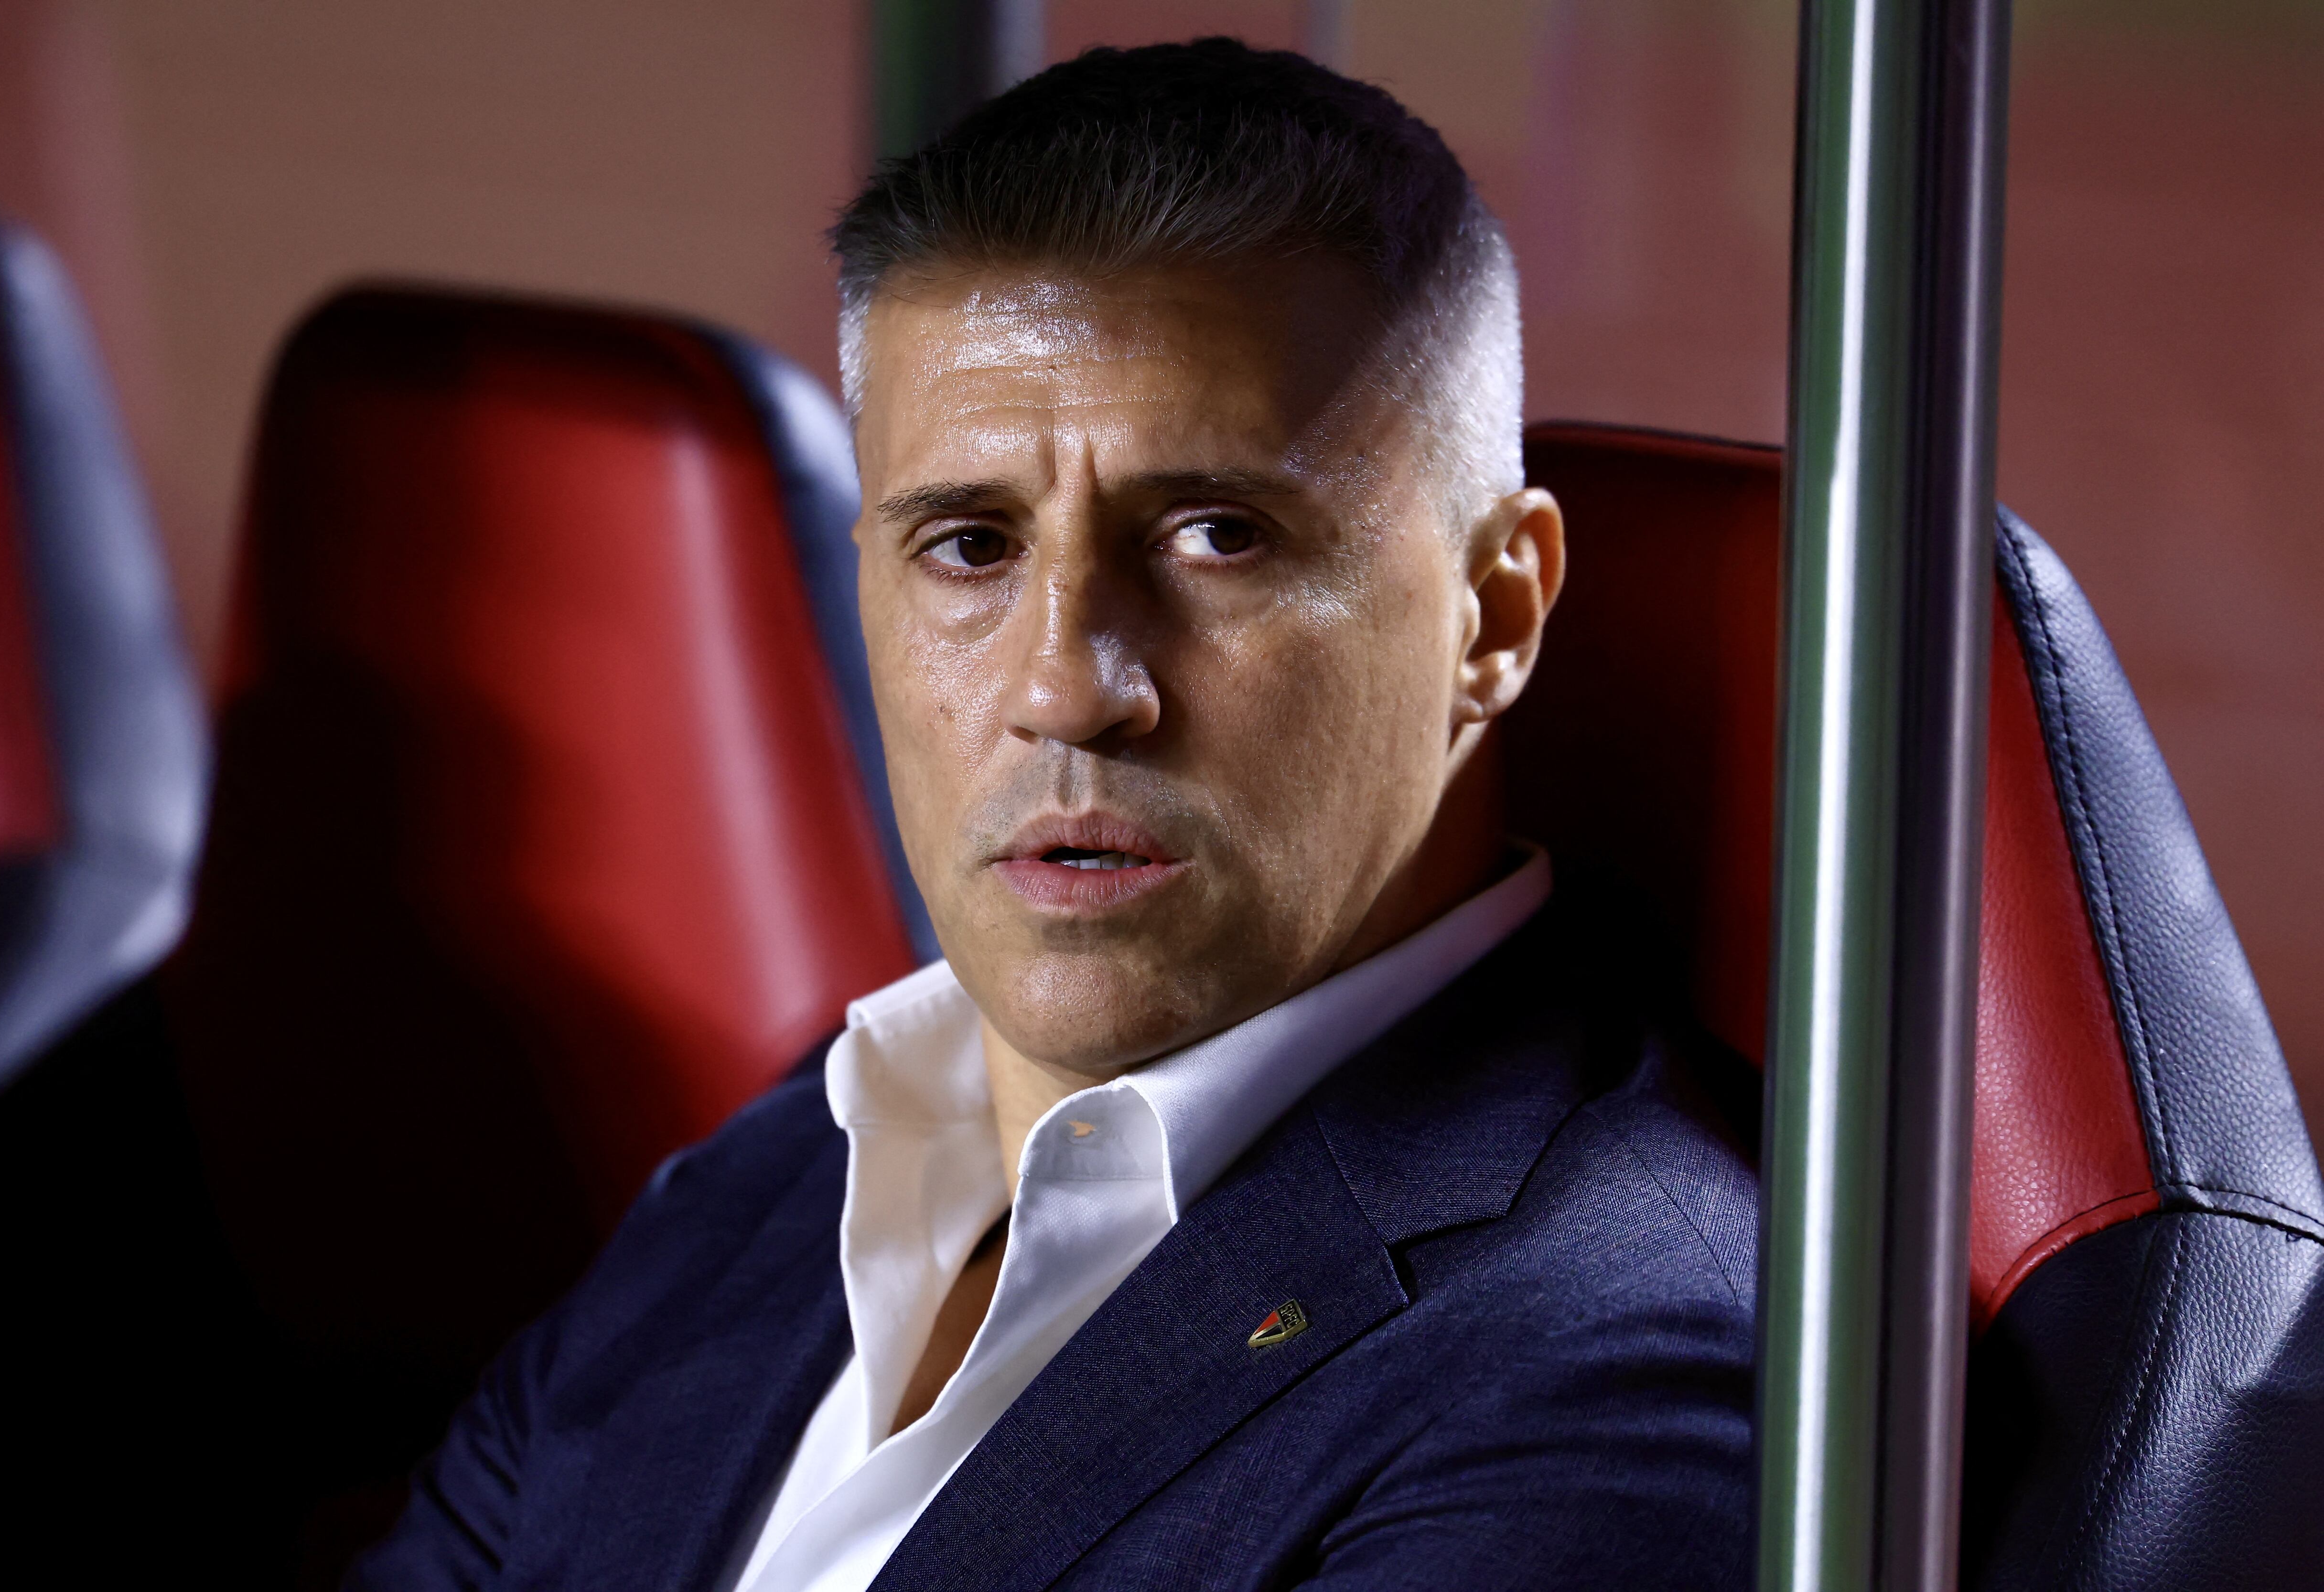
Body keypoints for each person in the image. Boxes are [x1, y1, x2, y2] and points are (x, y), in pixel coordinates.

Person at [351, 38, 1756, 1592]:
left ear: (1495, 617)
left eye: (1219, 536)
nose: (1066, 687)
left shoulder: (1604, 1363)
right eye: (967, 546)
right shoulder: (764, 1185)